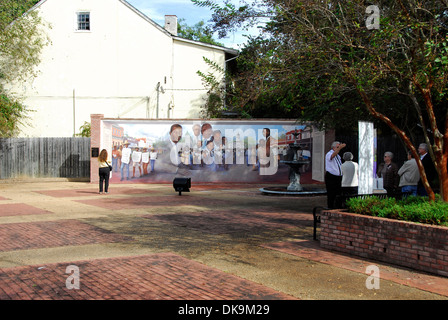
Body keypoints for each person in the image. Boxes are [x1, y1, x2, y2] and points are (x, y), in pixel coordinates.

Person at [325, 141, 346, 208]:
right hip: (331, 176)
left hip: (338, 177)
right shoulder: (329, 153)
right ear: (333, 147)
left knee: (339, 193)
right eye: (337, 147)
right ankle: (330, 207)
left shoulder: (338, 155)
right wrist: (339, 148)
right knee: (331, 193)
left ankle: (338, 206)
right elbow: (332, 156)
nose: (338, 149)